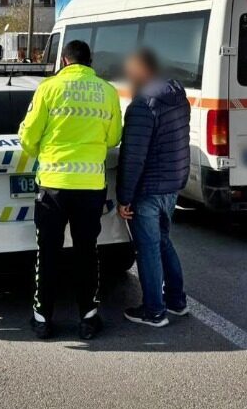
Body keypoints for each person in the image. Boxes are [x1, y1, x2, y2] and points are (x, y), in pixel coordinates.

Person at [18, 39, 122, 340]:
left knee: (48, 252)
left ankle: (42, 319)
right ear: (90, 62)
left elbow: (28, 138)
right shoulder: (108, 91)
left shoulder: (48, 88)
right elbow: (113, 138)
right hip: (90, 187)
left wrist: (43, 150)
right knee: (87, 252)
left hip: (53, 186)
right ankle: (88, 319)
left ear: (64, 60)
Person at [116, 48, 190, 327]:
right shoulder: (177, 95)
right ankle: (176, 301)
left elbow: (133, 156)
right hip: (171, 184)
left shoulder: (142, 105)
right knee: (163, 242)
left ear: (141, 69)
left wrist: (124, 197)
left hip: (148, 188)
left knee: (148, 249)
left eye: (131, 68)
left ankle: (154, 311)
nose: (128, 74)